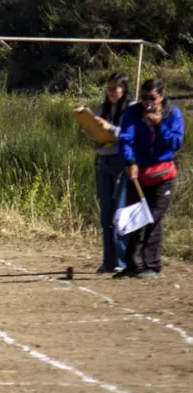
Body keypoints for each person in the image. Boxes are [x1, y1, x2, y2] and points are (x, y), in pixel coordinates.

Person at [115, 79, 185, 279]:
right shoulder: (133, 112)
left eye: (152, 98)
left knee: (152, 219)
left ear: (161, 96)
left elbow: (175, 143)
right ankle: (133, 265)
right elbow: (125, 139)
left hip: (163, 175)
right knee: (136, 218)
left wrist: (159, 124)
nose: (148, 103)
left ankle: (152, 265)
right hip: (139, 173)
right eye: (144, 98)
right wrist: (130, 162)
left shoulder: (173, 114)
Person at [89, 73, 131, 273]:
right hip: (102, 161)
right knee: (106, 212)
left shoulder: (130, 110)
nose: (111, 92)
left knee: (120, 212)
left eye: (115, 88)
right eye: (109, 88)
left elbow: (128, 134)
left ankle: (122, 261)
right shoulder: (101, 109)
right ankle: (108, 261)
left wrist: (110, 129)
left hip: (121, 162)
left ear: (124, 90)